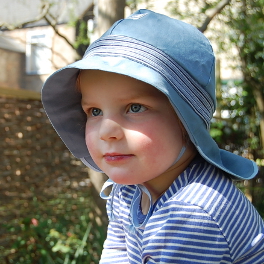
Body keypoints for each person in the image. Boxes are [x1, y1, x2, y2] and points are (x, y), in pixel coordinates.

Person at [42, 9, 264, 264]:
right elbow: (117, 254)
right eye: (94, 111)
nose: (106, 131)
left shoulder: (192, 213)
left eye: (135, 108)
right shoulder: (128, 191)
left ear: (186, 121)